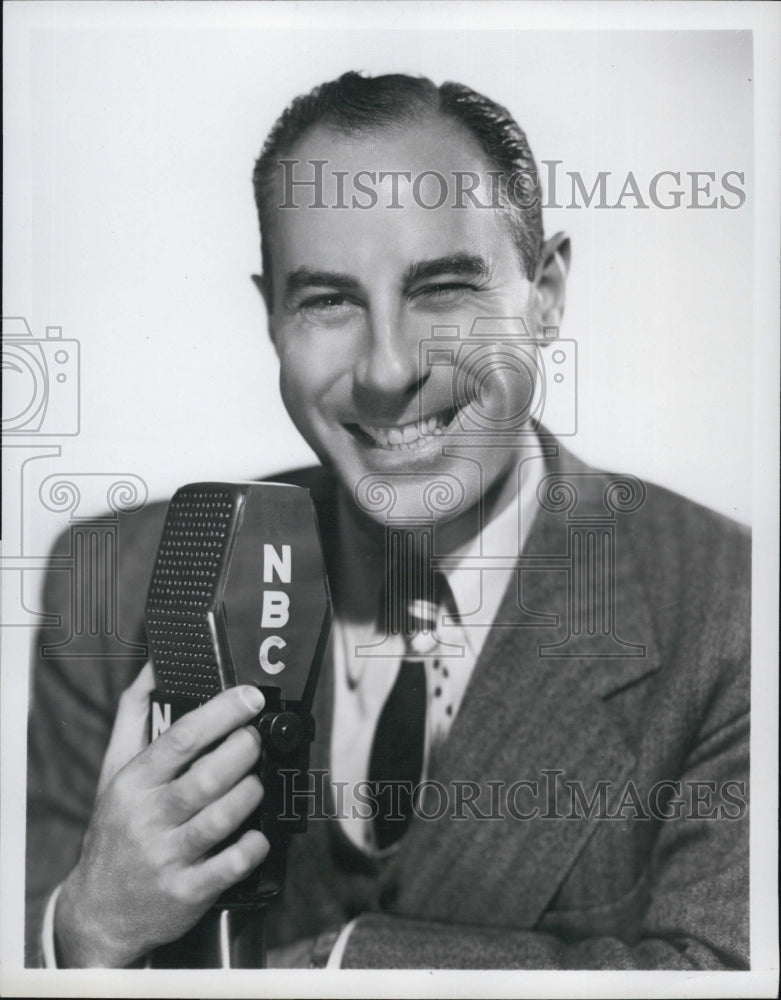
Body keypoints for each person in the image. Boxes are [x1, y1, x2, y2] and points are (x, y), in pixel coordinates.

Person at [26, 72, 750, 969]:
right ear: (270, 319)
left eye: (442, 289)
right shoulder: (116, 577)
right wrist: (82, 931)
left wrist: (334, 968)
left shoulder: (731, 611)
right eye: (327, 300)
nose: (385, 369)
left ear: (548, 293)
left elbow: (715, 975)